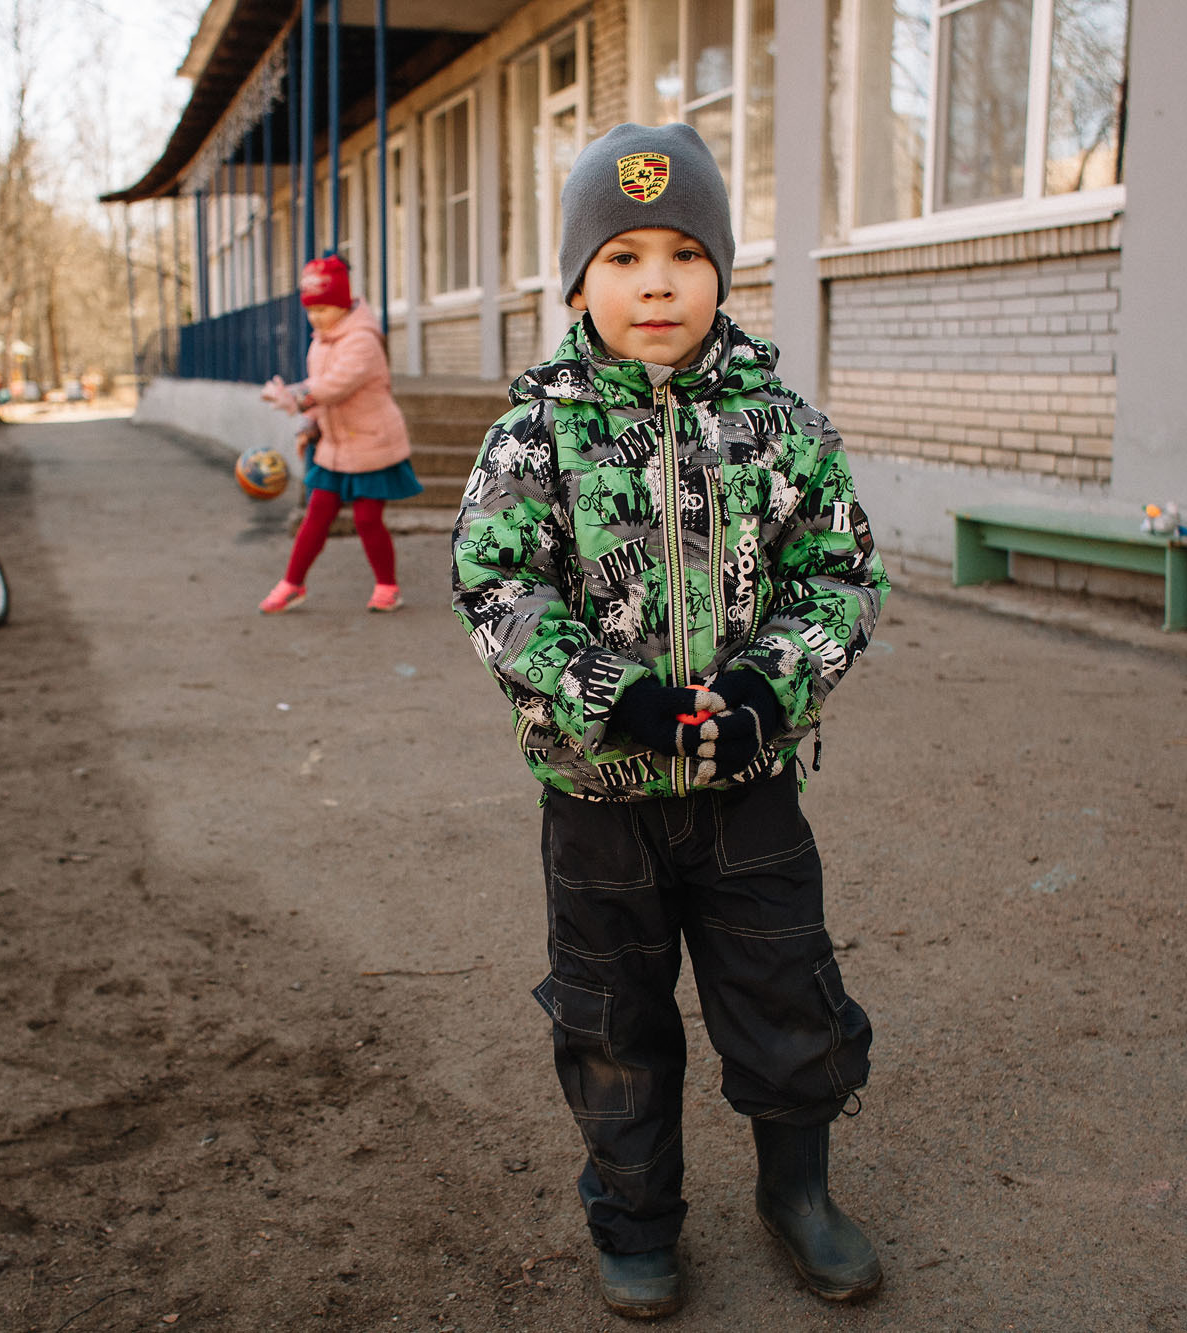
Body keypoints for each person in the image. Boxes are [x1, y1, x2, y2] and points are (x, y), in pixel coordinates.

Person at [450, 122, 891, 1319]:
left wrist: (763, 691)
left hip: (746, 793)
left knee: (784, 993)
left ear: (721, 273)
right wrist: (622, 697)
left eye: (685, 254)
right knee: (611, 1022)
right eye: (622, 255)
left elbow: (841, 577)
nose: (655, 281)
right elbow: (497, 586)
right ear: (579, 280)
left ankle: (794, 1194)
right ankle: (634, 1220)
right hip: (598, 805)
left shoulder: (778, 422)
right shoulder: (534, 433)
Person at [257, 255, 421, 613]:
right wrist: (307, 426)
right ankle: (292, 584)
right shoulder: (320, 343)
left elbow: (335, 386)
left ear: (344, 303)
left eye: (325, 308)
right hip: (334, 444)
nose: (316, 317)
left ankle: (387, 586)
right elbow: (321, 398)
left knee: (366, 518)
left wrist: (295, 397)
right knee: (316, 515)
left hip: (371, 442)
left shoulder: (362, 339)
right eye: (311, 310)